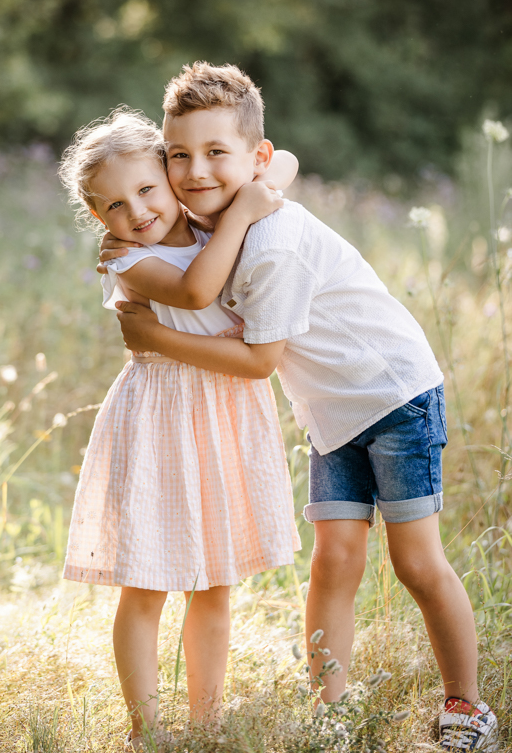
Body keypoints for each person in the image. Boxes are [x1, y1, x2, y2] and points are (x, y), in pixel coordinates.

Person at [103, 63, 499, 752]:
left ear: (249, 161)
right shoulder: (214, 214)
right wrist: (133, 239)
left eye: (215, 153)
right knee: (333, 562)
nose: (195, 171)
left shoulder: (269, 244)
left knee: (416, 562)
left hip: (392, 395)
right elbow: (270, 165)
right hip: (330, 413)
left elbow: (258, 361)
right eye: (179, 155)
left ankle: (467, 706)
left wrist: (153, 336)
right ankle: (332, 714)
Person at [58, 107, 300, 750]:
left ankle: (207, 724)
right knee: (147, 581)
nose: (135, 213)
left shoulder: (202, 224)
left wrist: (244, 200)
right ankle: (147, 730)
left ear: (171, 172)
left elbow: (281, 166)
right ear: (98, 221)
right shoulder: (129, 262)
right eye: (113, 206)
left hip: (225, 414)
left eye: (144, 189)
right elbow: (196, 293)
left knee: (216, 581)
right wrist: (246, 212)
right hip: (161, 418)